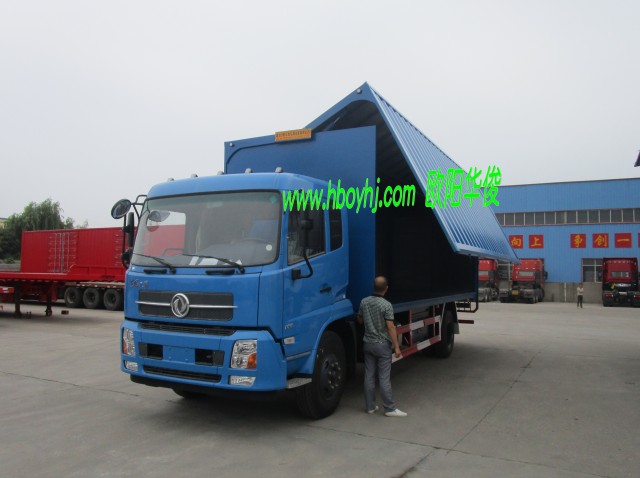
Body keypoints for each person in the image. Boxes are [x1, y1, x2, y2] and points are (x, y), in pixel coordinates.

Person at [356, 276, 407, 417]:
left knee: (369, 376)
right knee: (384, 378)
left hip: (368, 344)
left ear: (373, 287)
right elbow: (390, 326)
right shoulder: (386, 305)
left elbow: (359, 320)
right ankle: (390, 409)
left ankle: (370, 407)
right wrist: (397, 346)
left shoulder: (364, 302)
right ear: (386, 289)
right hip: (382, 346)